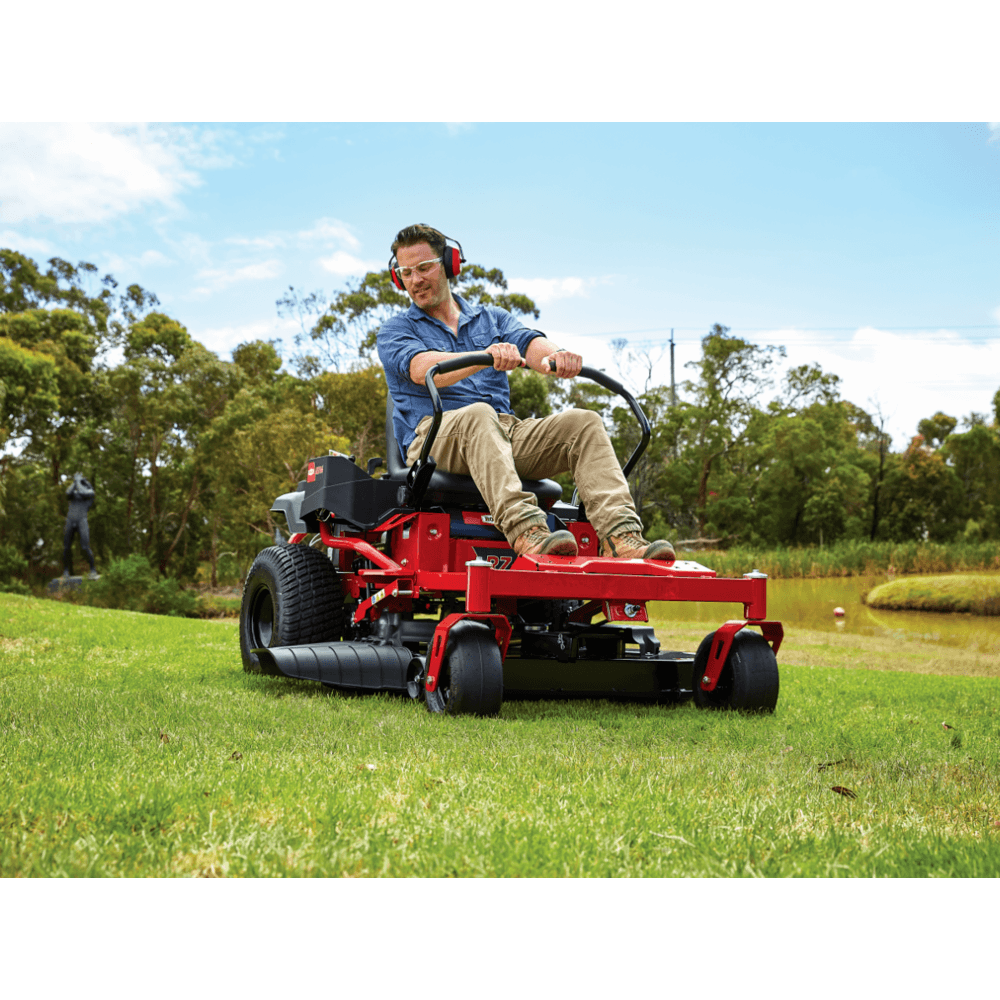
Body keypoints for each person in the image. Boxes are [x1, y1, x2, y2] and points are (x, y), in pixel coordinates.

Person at [377, 224, 674, 562]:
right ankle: (528, 532)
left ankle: (622, 537)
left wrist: (556, 356)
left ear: (448, 263)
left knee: (584, 423)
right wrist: (485, 355)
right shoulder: (396, 330)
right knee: (479, 416)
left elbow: (530, 343)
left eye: (424, 267)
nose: (415, 279)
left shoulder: (492, 319)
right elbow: (422, 368)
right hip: (433, 437)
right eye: (406, 273)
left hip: (502, 433)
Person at [63, 472, 99, 580]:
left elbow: (83, 491)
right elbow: (67, 493)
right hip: (70, 520)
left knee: (85, 546)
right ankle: (66, 570)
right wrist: (75, 481)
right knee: (66, 547)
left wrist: (78, 481)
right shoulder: (73, 493)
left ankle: (93, 569)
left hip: (82, 520)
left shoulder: (90, 492)